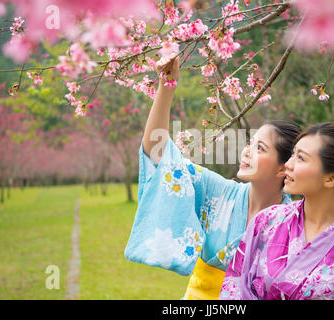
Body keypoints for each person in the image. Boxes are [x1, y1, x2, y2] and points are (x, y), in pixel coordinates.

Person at [124, 58, 302, 299]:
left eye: (259, 148)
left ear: (284, 168)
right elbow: (158, 154)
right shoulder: (216, 192)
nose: (246, 151)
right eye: (249, 143)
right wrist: (166, 88)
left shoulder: (295, 222)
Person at [220, 122, 334, 300]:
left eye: (301, 158)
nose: (288, 164)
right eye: (293, 154)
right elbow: (234, 286)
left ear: (332, 178)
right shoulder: (266, 221)